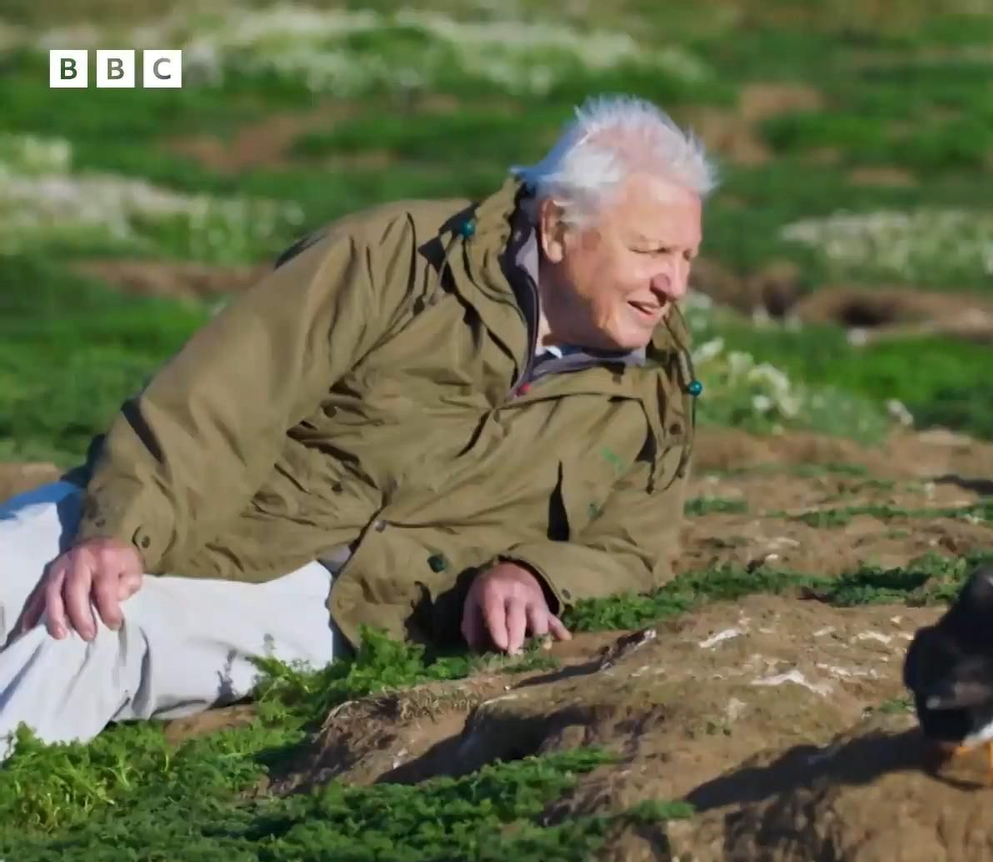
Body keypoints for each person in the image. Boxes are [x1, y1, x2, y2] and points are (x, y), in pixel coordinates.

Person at [0, 94, 715, 762]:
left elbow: (635, 544)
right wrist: (120, 531)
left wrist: (537, 573)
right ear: (559, 228)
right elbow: (225, 396)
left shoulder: (659, 381)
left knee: (79, 636)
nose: (674, 284)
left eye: (685, 257)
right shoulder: (398, 256)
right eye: (651, 251)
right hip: (228, 502)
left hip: (340, 601)